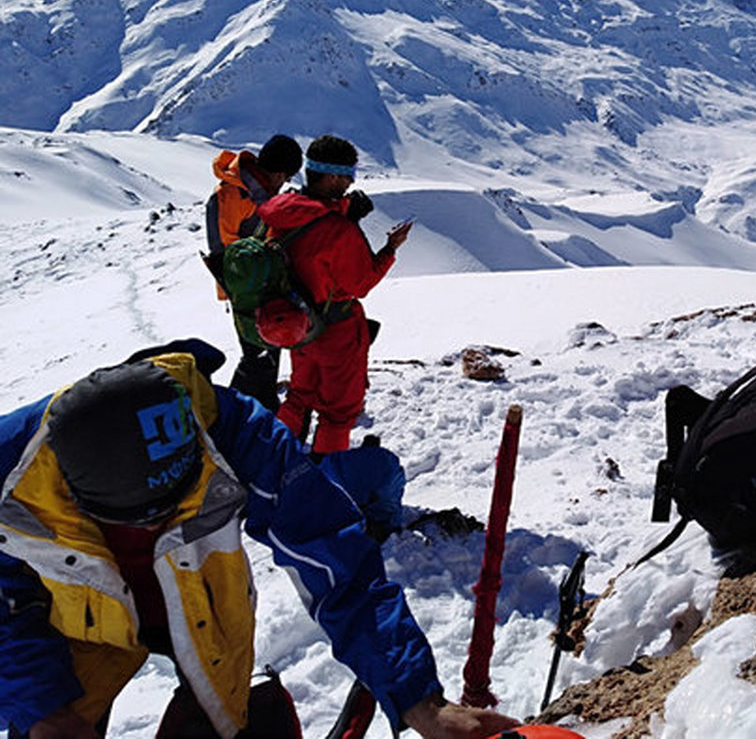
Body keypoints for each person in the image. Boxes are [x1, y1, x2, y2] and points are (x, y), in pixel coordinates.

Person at [0, 340, 519, 739]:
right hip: (67, 619)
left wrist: (420, 700)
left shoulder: (238, 436)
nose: (158, 534)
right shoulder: (11, 470)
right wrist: (43, 706)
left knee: (219, 718)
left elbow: (337, 563)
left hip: (204, 599)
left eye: (175, 513)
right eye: (141, 522)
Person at [257, 135, 411, 455]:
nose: (349, 184)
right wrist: (389, 249)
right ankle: (328, 479)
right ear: (331, 176)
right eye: (347, 176)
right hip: (337, 331)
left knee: (299, 397)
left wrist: (345, 212)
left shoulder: (283, 212)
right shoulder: (338, 230)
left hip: (299, 325)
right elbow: (361, 283)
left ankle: (276, 460)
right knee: (338, 414)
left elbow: (310, 232)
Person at [205, 134, 304, 411]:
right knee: (257, 354)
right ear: (277, 173)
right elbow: (226, 251)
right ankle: (226, 412)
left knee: (268, 350)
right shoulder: (231, 195)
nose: (284, 183)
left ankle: (263, 406)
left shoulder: (255, 192)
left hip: (262, 286)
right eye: (284, 177)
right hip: (246, 290)